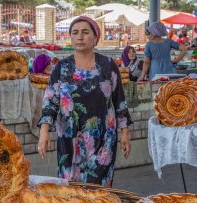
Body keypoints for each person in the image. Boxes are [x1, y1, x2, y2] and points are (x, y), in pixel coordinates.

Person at [36, 16, 132, 186]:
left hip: (103, 140)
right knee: (71, 191)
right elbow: (50, 101)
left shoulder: (108, 65)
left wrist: (125, 132)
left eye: (85, 32)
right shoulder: (62, 68)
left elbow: (119, 101)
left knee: (100, 192)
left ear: (95, 38)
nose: (79, 37)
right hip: (69, 139)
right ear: (71, 38)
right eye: (75, 33)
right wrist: (44, 132)